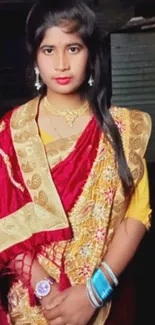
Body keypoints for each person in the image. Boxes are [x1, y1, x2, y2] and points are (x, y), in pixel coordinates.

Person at [0, 0, 152, 324]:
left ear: (90, 54)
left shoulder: (123, 129)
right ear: (35, 57)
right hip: (31, 304)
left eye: (73, 48)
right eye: (48, 50)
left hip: (105, 301)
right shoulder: (12, 132)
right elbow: (6, 223)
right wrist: (46, 290)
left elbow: (138, 215)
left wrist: (94, 293)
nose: (62, 64)